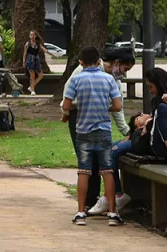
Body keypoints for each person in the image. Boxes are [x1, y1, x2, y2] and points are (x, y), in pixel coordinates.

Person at [61, 45, 123, 226]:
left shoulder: (76, 80)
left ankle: (81, 212)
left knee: (84, 171)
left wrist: (77, 108)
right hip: (103, 130)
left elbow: (66, 105)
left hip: (83, 130)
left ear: (81, 62)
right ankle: (112, 213)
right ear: (99, 62)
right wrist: (105, 107)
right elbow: (118, 106)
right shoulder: (109, 79)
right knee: (107, 171)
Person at [79, 48, 136, 216]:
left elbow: (118, 109)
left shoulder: (114, 81)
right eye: (125, 69)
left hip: (100, 126)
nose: (124, 74)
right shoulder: (85, 72)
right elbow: (68, 99)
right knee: (89, 165)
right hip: (82, 120)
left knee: (96, 164)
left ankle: (97, 202)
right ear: (117, 63)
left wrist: (127, 130)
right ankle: (93, 202)